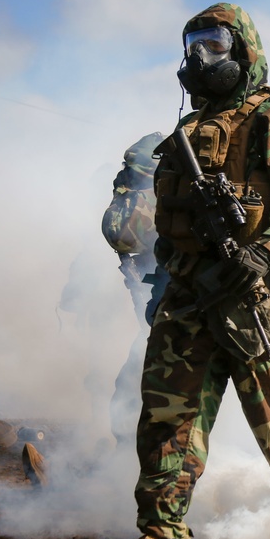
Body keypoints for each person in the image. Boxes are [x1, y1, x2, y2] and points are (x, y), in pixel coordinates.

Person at [97, 3, 270, 539]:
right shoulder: (185, 131)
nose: (201, 56)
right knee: (166, 413)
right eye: (194, 44)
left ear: (243, 49)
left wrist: (267, 248)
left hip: (253, 291)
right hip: (187, 290)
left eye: (215, 43)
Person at [101, 132, 170, 448]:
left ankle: (127, 463)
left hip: (175, 313)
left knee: (134, 388)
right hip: (166, 308)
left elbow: (120, 233)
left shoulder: (158, 198)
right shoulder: (167, 195)